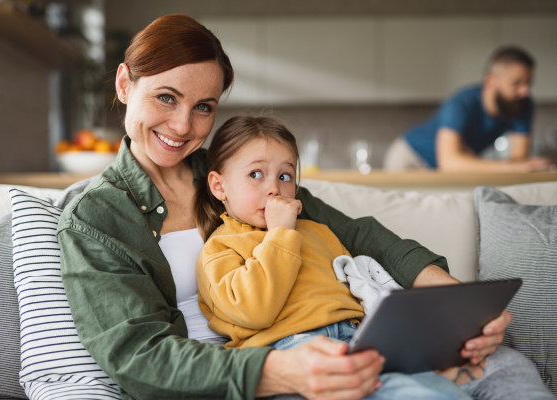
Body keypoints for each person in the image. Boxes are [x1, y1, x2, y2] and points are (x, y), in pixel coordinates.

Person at [57, 14, 527, 400]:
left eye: (204, 106)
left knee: (503, 364)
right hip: (243, 374)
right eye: (166, 97)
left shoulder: (237, 171)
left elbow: (361, 236)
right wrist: (282, 371)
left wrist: (459, 304)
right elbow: (138, 358)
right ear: (124, 84)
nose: (183, 125)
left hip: (327, 347)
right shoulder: (96, 217)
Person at [194, 115, 479, 399]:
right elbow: (254, 309)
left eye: (285, 176)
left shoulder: (318, 231)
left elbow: (358, 285)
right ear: (219, 186)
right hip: (288, 353)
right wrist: (280, 233)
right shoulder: (219, 249)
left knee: (441, 391)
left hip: (357, 340)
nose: (274, 188)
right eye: (256, 174)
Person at [384, 46, 554, 172]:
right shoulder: (463, 102)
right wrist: (511, 167)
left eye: (528, 84)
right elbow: (449, 162)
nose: (525, 91)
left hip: (448, 167)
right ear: (491, 81)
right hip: (410, 157)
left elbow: (519, 161)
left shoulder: (522, 104)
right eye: (516, 83)